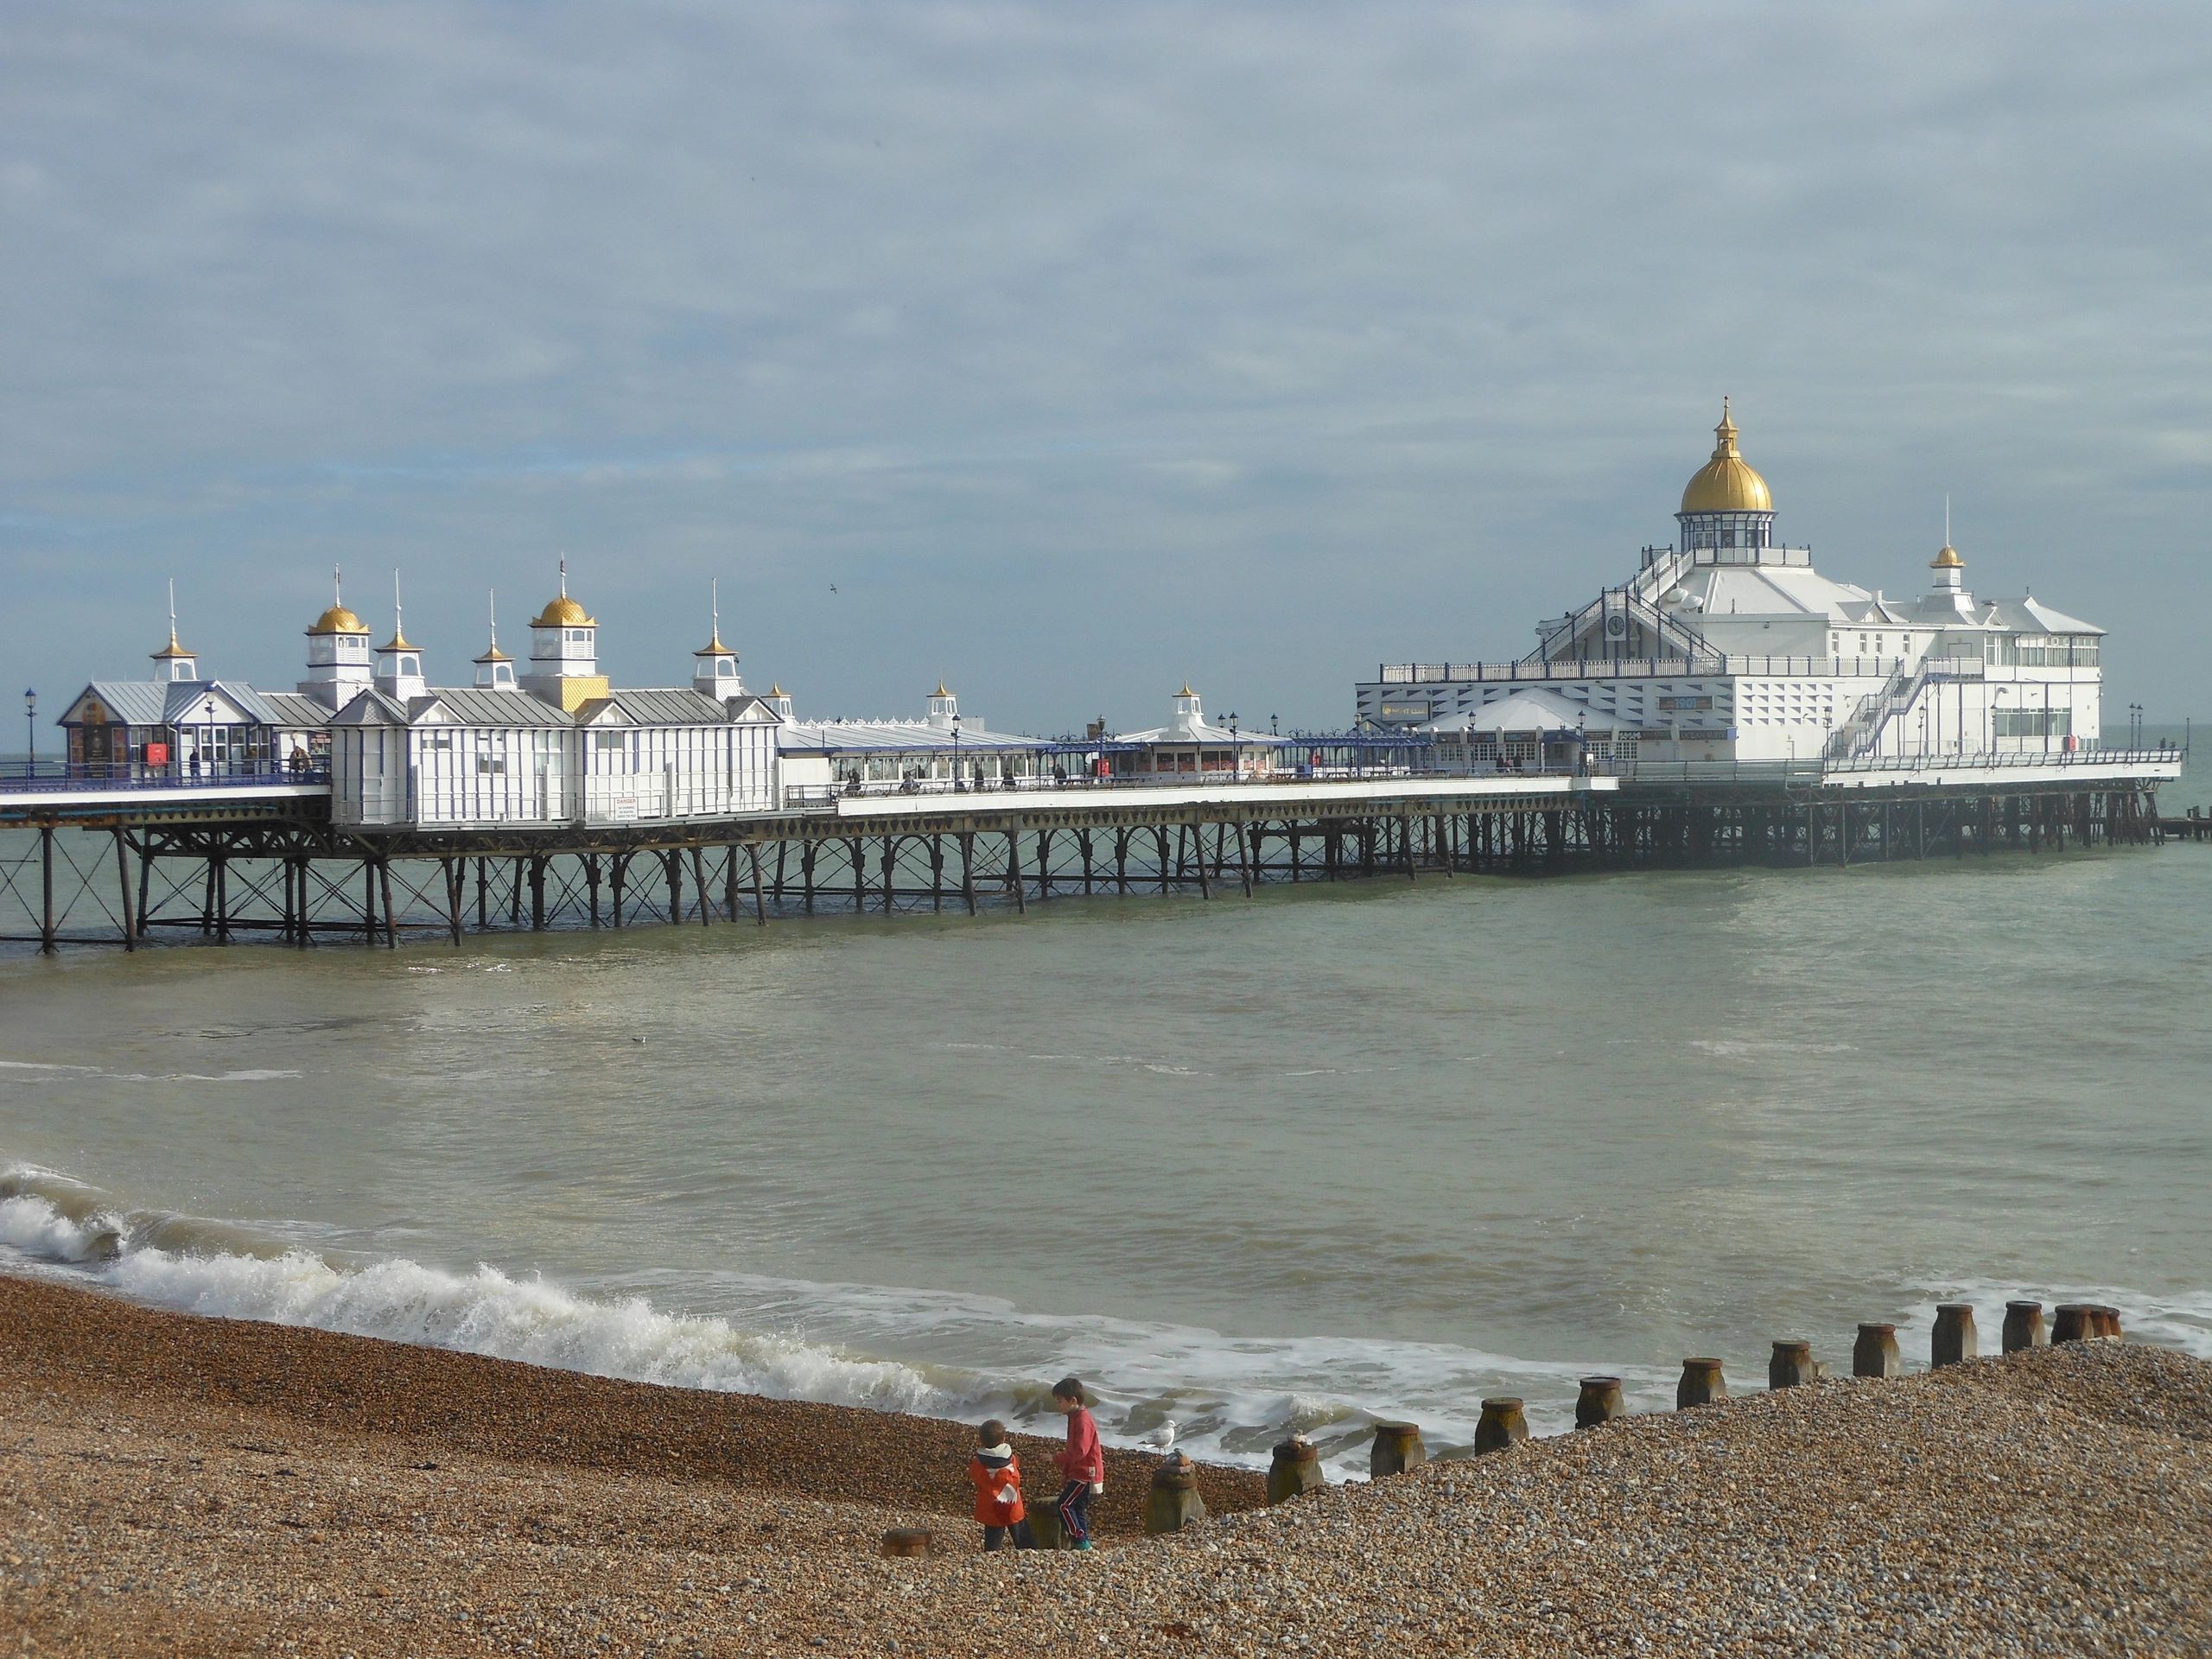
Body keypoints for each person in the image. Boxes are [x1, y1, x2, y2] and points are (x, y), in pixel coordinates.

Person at [1050, 1376, 1104, 1550]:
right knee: (1078, 1508)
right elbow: (1073, 1447)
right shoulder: (1074, 1416)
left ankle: (1079, 1538)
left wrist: (1057, 1458)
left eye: (1060, 1401)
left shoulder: (1083, 1420)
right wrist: (1066, 1471)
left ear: (1073, 1400)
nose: (1058, 1405)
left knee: (1064, 1505)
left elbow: (1080, 1451)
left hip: (1086, 1473)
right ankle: (1084, 1544)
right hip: (1079, 1472)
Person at [969, 1420, 1033, 1552]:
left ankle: (991, 1557)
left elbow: (975, 1476)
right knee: (1023, 1537)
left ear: (981, 1441)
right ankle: (1031, 1553)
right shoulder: (1011, 1459)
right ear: (1004, 1439)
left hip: (992, 1507)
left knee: (993, 1540)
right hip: (1012, 1504)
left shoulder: (978, 1464)